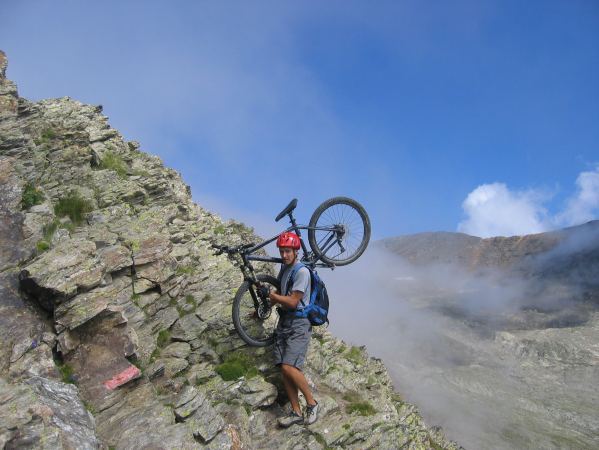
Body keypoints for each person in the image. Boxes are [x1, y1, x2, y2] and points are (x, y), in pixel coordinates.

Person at [260, 231, 319, 427]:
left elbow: (293, 301)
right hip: (284, 322)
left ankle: (312, 404)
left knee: (289, 366)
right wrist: (262, 308)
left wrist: (274, 298)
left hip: (299, 324)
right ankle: (295, 411)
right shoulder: (284, 269)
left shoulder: (302, 272)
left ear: (295, 251)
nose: (284, 255)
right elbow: (279, 292)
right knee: (284, 370)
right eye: (282, 251)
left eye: (288, 251)